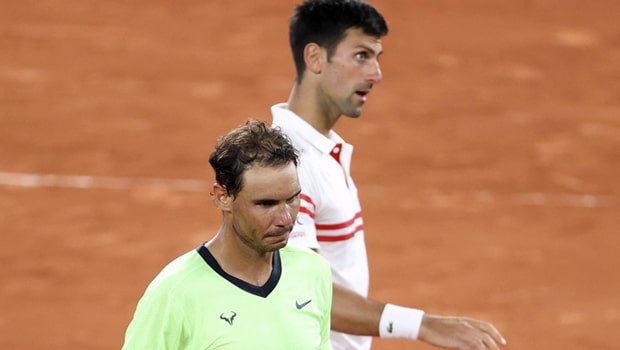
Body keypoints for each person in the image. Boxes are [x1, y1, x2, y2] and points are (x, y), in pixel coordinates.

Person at [271, 0, 507, 349]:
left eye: (377, 57)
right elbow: (304, 290)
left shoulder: (320, 150)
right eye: (362, 56)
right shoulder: (290, 162)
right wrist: (422, 325)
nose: (376, 74)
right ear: (315, 58)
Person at [122, 120, 333, 349]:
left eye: (292, 199)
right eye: (265, 203)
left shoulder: (314, 272)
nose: (285, 219)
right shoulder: (175, 293)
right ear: (223, 197)